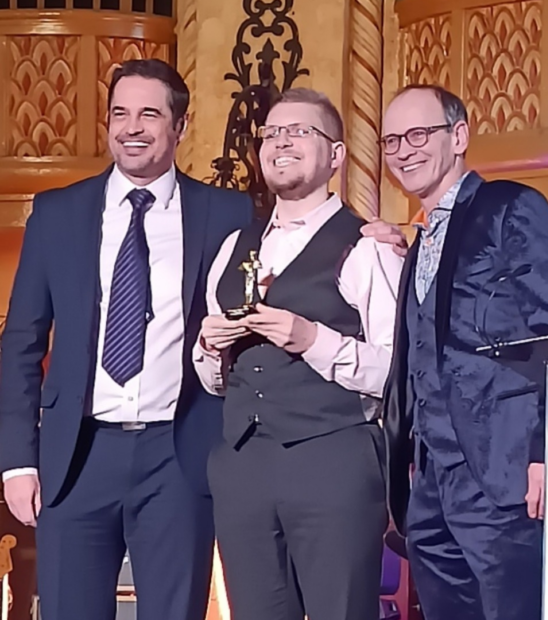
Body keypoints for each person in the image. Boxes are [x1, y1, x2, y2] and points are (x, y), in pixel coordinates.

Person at [0, 59, 255, 620]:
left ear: (179, 127)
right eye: (119, 113)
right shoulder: (57, 212)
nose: (131, 127)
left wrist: (370, 235)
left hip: (180, 457)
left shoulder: (228, 213)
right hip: (76, 456)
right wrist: (18, 462)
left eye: (148, 114)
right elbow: (21, 341)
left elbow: (294, 250)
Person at [193, 87, 403, 620]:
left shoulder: (368, 245)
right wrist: (209, 350)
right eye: (271, 133)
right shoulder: (233, 247)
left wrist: (313, 339)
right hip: (242, 462)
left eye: (298, 131)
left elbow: (396, 373)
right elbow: (216, 381)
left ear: (335, 155)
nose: (280, 141)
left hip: (333, 459)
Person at [381, 85, 548, 620]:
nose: (404, 150)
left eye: (419, 134)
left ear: (460, 136)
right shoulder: (419, 244)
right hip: (431, 482)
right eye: (391, 140)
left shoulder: (509, 207)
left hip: (506, 470)